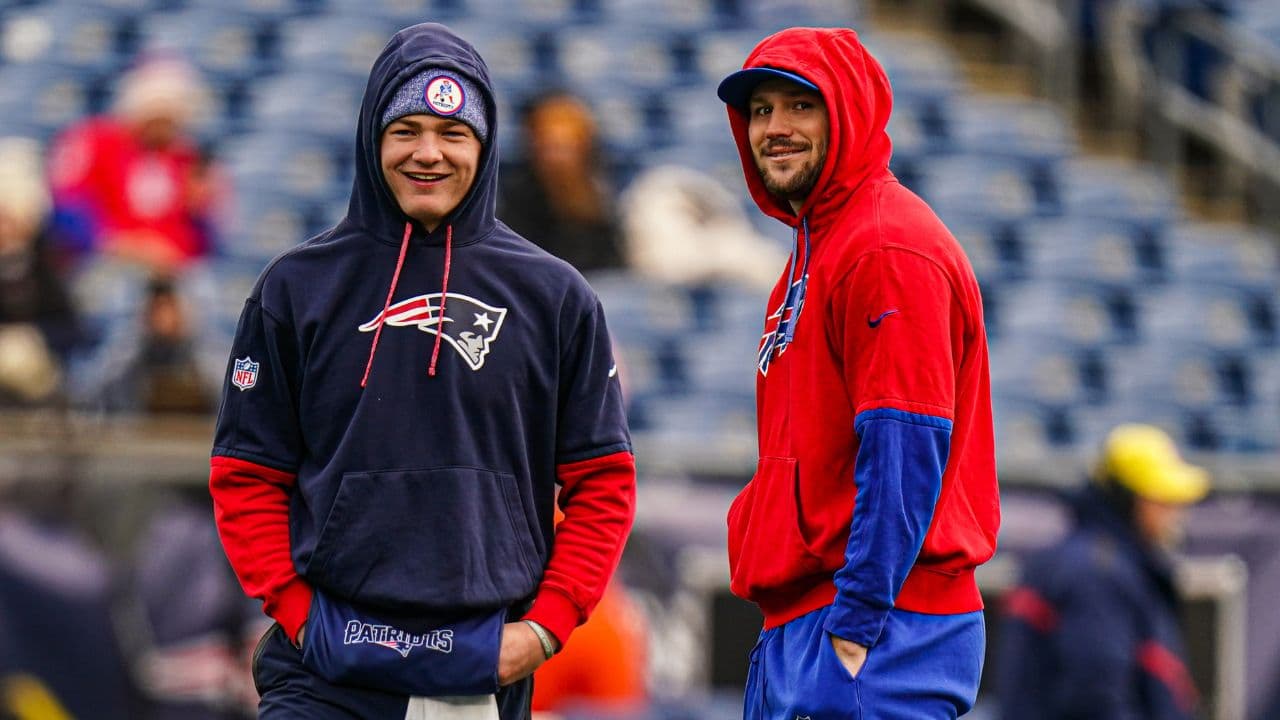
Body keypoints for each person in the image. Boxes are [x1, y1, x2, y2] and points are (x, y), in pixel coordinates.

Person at [208, 23, 636, 720]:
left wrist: (545, 627)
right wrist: (295, 609)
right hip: (324, 669)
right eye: (406, 129)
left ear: (485, 145)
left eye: (452, 132)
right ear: (373, 137)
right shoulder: (296, 287)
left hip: (480, 669)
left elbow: (603, 481)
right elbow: (246, 473)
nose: (428, 153)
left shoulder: (556, 298)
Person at [714, 27, 1000, 719]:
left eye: (799, 106)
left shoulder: (886, 245)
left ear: (847, 112)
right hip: (818, 626)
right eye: (759, 111)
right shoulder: (817, 249)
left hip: (878, 633)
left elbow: (904, 446)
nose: (774, 129)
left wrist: (857, 622)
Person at [999, 424, 1208, 719]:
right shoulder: (1098, 572)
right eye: (1162, 501)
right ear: (1128, 500)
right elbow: (1096, 698)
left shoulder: (1090, 559)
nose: (1175, 513)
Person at [47, 56, 222, 274]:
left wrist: (199, 213)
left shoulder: (187, 160)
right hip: (105, 259)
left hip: (171, 269)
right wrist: (117, 244)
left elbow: (206, 238)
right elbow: (70, 207)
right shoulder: (97, 143)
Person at [498, 91, 625, 274]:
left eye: (568, 146)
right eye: (552, 146)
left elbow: (611, 262)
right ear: (534, 143)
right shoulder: (519, 197)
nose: (559, 157)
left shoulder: (600, 193)